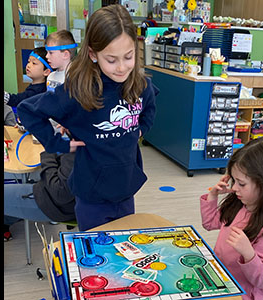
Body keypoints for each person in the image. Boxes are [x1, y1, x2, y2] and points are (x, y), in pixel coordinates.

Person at [17, 4, 158, 231]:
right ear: (93, 54)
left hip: (126, 190)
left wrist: (141, 128)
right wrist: (56, 144)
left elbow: (150, 105)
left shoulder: (139, 84)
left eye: (128, 57)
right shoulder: (78, 90)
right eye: (111, 59)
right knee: (95, 258)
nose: (122, 67)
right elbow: (28, 111)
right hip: (92, 197)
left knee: (123, 253)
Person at [201, 137, 263, 300]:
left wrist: (248, 253)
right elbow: (209, 223)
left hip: (243, 294)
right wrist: (212, 195)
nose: (234, 188)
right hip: (221, 282)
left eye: (241, 184)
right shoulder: (238, 204)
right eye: (234, 180)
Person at [4, 151, 77, 240]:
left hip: (54, 203)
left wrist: (48, 153)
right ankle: (9, 220)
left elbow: (60, 193)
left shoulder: (81, 148)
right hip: (64, 196)